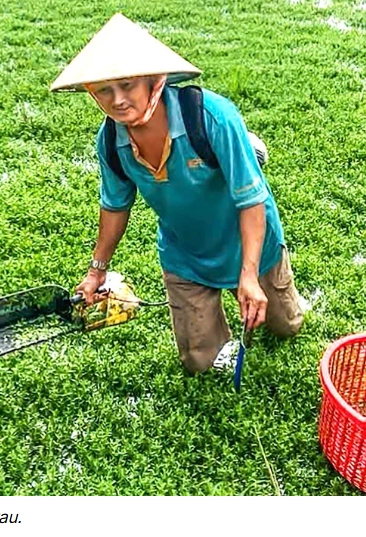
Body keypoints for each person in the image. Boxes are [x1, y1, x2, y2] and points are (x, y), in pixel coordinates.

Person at [50, 13, 304, 374]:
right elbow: (115, 205)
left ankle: (242, 153)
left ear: (153, 80)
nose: (117, 100)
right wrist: (96, 271)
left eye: (127, 85)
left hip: (247, 242)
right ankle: (241, 155)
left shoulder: (212, 116)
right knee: (200, 362)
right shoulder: (110, 141)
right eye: (104, 90)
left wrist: (248, 275)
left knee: (286, 327)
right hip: (187, 253)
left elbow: (251, 201)